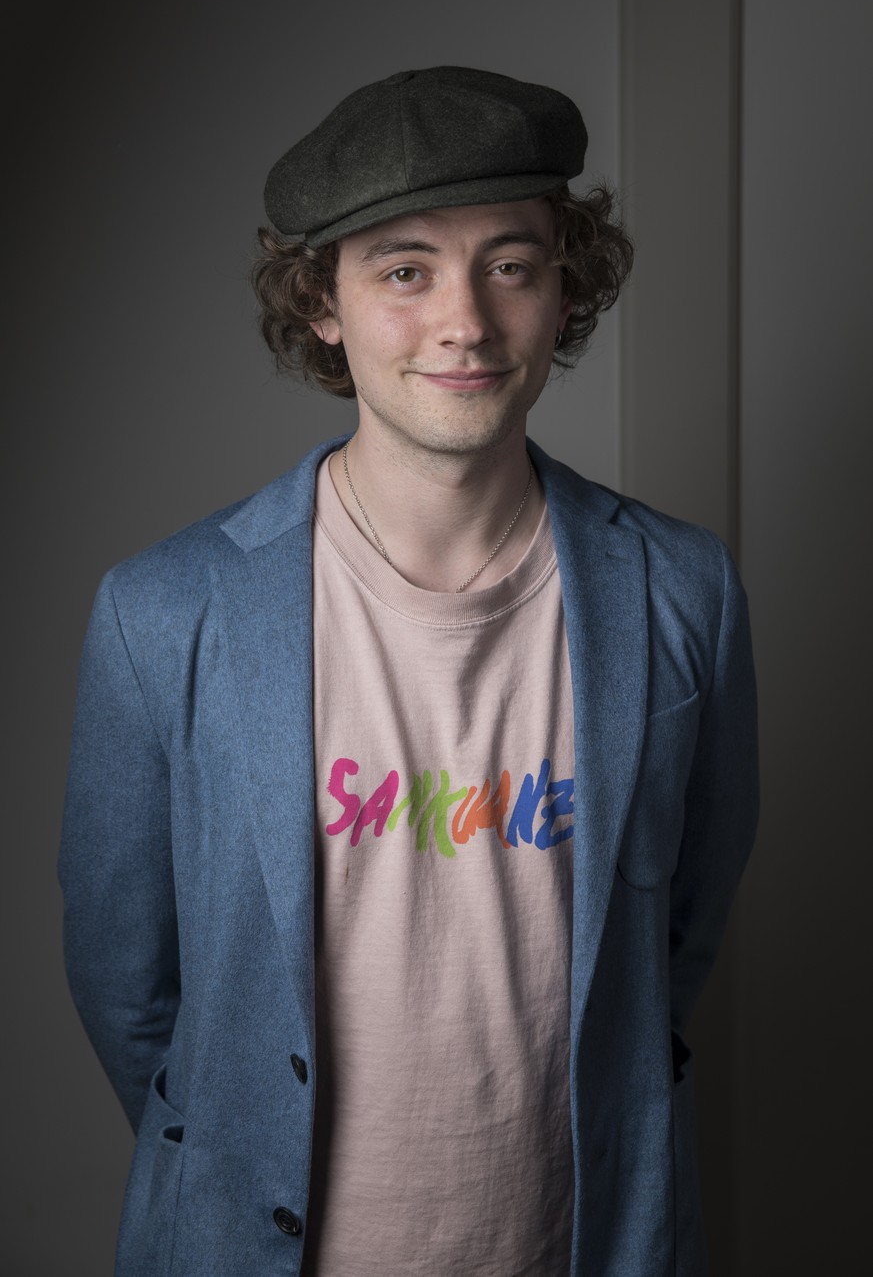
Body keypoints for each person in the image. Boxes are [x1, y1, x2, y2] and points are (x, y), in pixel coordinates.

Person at [59, 66, 758, 1276]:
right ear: (319, 300)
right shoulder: (163, 611)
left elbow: (680, 928)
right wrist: (234, 1147)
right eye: (404, 269)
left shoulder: (682, 591)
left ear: (563, 287)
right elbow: (128, 984)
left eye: (512, 264)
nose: (467, 323)